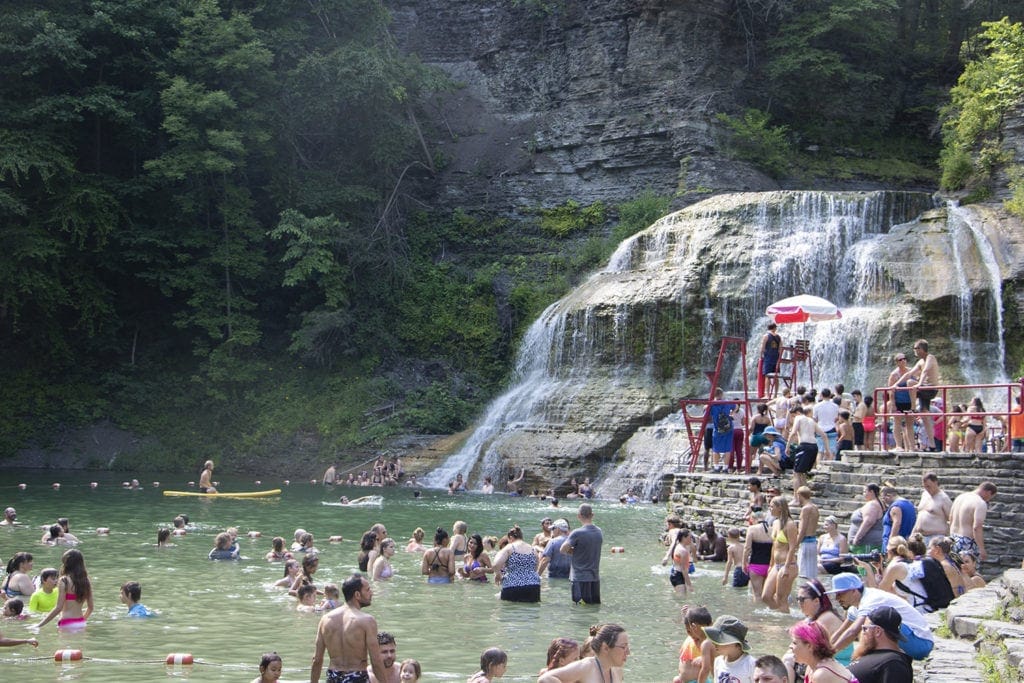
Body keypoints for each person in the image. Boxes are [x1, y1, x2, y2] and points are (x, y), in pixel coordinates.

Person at [827, 573, 934, 660]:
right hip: (911, 640)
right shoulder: (854, 608)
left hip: (920, 643)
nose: (837, 598)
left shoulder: (870, 600)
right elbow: (841, 631)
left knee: (872, 627)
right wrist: (825, 651)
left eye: (840, 594)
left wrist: (829, 655)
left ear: (854, 590)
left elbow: (852, 632)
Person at [310, 573, 387, 683]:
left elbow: (316, 660)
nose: (371, 593)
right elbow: (376, 661)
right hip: (357, 677)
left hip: (333, 677)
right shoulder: (367, 621)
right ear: (357, 594)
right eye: (368, 590)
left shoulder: (325, 620)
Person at [538, 622, 629, 683]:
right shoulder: (587, 666)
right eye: (623, 647)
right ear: (605, 648)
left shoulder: (617, 671)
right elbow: (545, 679)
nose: (628, 652)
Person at [893, 339, 941, 450]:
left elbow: (925, 371)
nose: (914, 351)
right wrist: (895, 385)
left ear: (921, 349)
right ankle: (932, 446)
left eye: (915, 348)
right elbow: (909, 374)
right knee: (925, 416)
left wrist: (918, 384)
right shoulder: (920, 362)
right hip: (923, 389)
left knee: (910, 383)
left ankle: (913, 408)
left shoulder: (930, 358)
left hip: (930, 388)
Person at [846, 606, 914, 683]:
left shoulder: (893, 663)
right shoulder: (885, 660)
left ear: (877, 631)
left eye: (865, 629)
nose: (862, 633)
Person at [797, 579, 853, 666]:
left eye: (802, 599)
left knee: (789, 660)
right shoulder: (813, 618)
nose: (799, 603)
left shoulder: (826, 618)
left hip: (840, 664)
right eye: (797, 599)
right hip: (828, 662)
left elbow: (809, 648)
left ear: (816, 601)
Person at [37, 548, 94, 630]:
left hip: (66, 623)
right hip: (81, 623)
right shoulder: (86, 581)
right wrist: (82, 620)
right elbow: (91, 608)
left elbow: (58, 608)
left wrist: (39, 625)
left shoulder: (64, 581)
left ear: (67, 563)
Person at [561, 503, 603, 605]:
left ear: (579, 516)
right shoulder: (599, 531)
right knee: (593, 606)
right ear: (592, 515)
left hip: (580, 577)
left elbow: (562, 549)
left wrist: (574, 551)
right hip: (594, 578)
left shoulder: (577, 533)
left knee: (580, 609)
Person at [788, 620, 857, 683]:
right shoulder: (811, 667)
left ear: (809, 646)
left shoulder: (822, 674)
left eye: (794, 643)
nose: (790, 646)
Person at [763, 496, 798, 612]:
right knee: (766, 596)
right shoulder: (776, 522)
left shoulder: (790, 524)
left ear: (780, 508)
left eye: (772, 506)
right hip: (776, 565)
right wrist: (771, 564)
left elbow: (793, 547)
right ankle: (779, 616)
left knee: (781, 598)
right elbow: (774, 545)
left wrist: (786, 567)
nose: (770, 509)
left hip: (788, 565)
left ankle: (782, 623)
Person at [787, 404, 832, 495]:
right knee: (802, 473)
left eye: (793, 416)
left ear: (797, 413)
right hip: (814, 447)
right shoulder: (811, 420)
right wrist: (827, 450)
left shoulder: (798, 418)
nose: (792, 418)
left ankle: (796, 498)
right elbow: (824, 435)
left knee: (796, 473)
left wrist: (787, 446)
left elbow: (793, 432)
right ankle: (805, 496)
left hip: (804, 445)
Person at [491, 525, 541, 602]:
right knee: (531, 612)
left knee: (510, 612)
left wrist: (498, 575)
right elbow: (536, 568)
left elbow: (495, 564)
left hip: (513, 586)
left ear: (510, 538)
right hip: (533, 587)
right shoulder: (533, 549)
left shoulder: (510, 547)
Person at [949, 481, 997, 561]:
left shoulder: (960, 497)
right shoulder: (980, 503)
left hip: (952, 538)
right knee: (967, 572)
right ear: (988, 493)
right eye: (990, 497)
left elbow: (950, 518)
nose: (989, 500)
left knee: (954, 570)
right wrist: (981, 549)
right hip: (966, 542)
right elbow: (977, 527)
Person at [704, 615, 756, 682]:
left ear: (736, 644)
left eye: (720, 640)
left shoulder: (750, 664)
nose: (714, 643)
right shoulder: (718, 661)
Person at [675, 606, 714, 683]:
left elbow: (714, 658)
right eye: (688, 631)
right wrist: (686, 615)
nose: (690, 634)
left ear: (695, 627)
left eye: (692, 629)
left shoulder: (704, 641)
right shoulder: (692, 637)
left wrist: (703, 658)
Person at [911, 472, 952, 543]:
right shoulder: (924, 495)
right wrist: (912, 534)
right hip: (920, 537)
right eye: (924, 486)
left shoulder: (944, 498)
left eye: (928, 486)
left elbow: (952, 519)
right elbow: (920, 516)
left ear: (935, 482)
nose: (927, 489)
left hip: (936, 538)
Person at [743, 510, 774, 603]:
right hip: (770, 566)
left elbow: (747, 548)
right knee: (767, 595)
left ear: (753, 519)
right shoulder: (773, 529)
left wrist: (744, 562)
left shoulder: (752, 529)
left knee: (757, 595)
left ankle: (757, 617)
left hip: (756, 565)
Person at [886, 353, 915, 451]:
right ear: (897, 362)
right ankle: (898, 445)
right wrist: (892, 403)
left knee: (910, 423)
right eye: (900, 359)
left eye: (904, 358)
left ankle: (912, 447)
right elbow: (891, 390)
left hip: (909, 401)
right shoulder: (894, 374)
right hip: (898, 401)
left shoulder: (911, 371)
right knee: (897, 422)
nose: (903, 360)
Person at [848, 484, 885, 554]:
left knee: (864, 564)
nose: (863, 494)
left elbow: (868, 522)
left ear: (871, 492)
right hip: (865, 544)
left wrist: (857, 538)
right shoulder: (876, 503)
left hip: (867, 544)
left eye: (865, 491)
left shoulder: (872, 505)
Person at [879, 486, 916, 552]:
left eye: (883, 498)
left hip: (895, 544)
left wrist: (890, 542)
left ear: (888, 495)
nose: (883, 501)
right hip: (905, 540)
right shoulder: (909, 504)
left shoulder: (896, 507)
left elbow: (897, 524)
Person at [708, 388, 736, 473]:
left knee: (716, 449)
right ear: (721, 394)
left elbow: (707, 414)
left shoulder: (711, 404)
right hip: (728, 428)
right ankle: (725, 468)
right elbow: (736, 406)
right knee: (728, 449)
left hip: (717, 429)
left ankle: (716, 467)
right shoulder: (727, 402)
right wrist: (731, 413)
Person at [795, 486, 820, 579]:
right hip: (813, 542)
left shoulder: (805, 509)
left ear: (799, 495)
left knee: (803, 573)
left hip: (805, 543)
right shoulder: (815, 507)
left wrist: (795, 545)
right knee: (812, 574)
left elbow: (802, 530)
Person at [665, 528, 694, 595]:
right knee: (682, 600)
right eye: (690, 537)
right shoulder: (683, 551)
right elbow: (684, 570)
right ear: (684, 538)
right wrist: (689, 585)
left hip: (675, 574)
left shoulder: (678, 546)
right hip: (678, 576)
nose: (691, 540)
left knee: (680, 598)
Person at [759, 322, 782, 397]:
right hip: (776, 359)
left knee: (767, 376)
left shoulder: (766, 336)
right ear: (774, 328)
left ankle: (768, 394)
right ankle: (775, 394)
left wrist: (760, 356)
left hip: (768, 358)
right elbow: (780, 349)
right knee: (776, 376)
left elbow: (762, 347)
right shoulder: (779, 337)